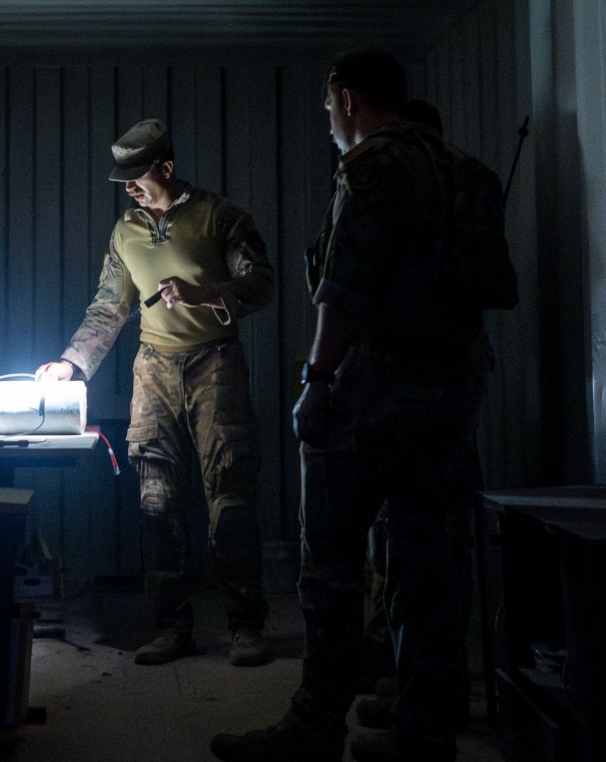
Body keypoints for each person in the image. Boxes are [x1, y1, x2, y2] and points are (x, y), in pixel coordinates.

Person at [212, 48, 497, 762]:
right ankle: (426, 730)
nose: (330, 123)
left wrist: (316, 378)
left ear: (345, 96)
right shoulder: (465, 170)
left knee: (333, 567)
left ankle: (314, 726)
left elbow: (343, 288)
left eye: (328, 107)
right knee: (426, 565)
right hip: (448, 400)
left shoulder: (371, 167)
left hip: (372, 399)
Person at [37, 118, 276, 668]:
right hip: (154, 370)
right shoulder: (125, 232)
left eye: (137, 177)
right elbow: (108, 305)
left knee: (231, 495)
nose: (129, 188)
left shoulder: (222, 217)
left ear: (165, 168)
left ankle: (245, 626)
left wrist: (206, 292)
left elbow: (260, 281)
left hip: (216, 364)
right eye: (123, 181)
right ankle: (170, 626)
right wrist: (73, 363)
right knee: (156, 499)